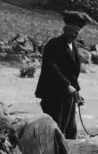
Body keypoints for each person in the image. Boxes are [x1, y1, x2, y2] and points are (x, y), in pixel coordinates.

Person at [35, 11, 93, 139]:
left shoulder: (74, 46)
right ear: (64, 29)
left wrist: (76, 91)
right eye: (71, 30)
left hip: (68, 95)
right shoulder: (54, 44)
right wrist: (66, 85)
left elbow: (72, 73)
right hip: (53, 94)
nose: (74, 34)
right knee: (55, 129)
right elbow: (51, 68)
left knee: (70, 129)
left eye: (77, 32)